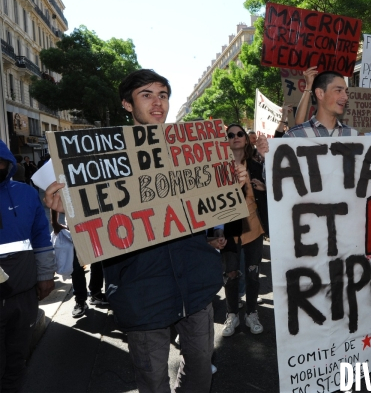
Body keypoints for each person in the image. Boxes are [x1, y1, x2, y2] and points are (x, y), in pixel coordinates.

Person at [44, 69, 246, 393]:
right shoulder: (106, 158)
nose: (158, 103)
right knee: (152, 384)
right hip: (142, 294)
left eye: (163, 95)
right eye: (146, 95)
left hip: (195, 288)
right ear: (127, 104)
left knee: (201, 375)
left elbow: (203, 215)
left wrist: (228, 188)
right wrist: (68, 206)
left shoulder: (190, 152)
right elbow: (97, 223)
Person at [0, 140, 56, 392]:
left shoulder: (25, 193)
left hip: (23, 294)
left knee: (17, 357)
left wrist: (45, 275)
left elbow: (41, 236)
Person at [222, 124, 268, 337]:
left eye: (240, 133)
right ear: (226, 141)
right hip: (230, 226)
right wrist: (213, 236)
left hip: (254, 226)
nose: (236, 137)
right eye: (230, 135)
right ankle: (232, 314)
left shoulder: (257, 165)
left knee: (252, 274)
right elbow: (208, 203)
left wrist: (264, 189)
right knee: (230, 275)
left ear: (246, 139)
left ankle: (251, 313)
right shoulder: (218, 167)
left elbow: (276, 188)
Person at [51, 210, 108, 318]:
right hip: (75, 225)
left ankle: (95, 294)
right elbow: (55, 197)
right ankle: (80, 300)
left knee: (98, 258)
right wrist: (54, 223)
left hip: (96, 220)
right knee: (77, 264)